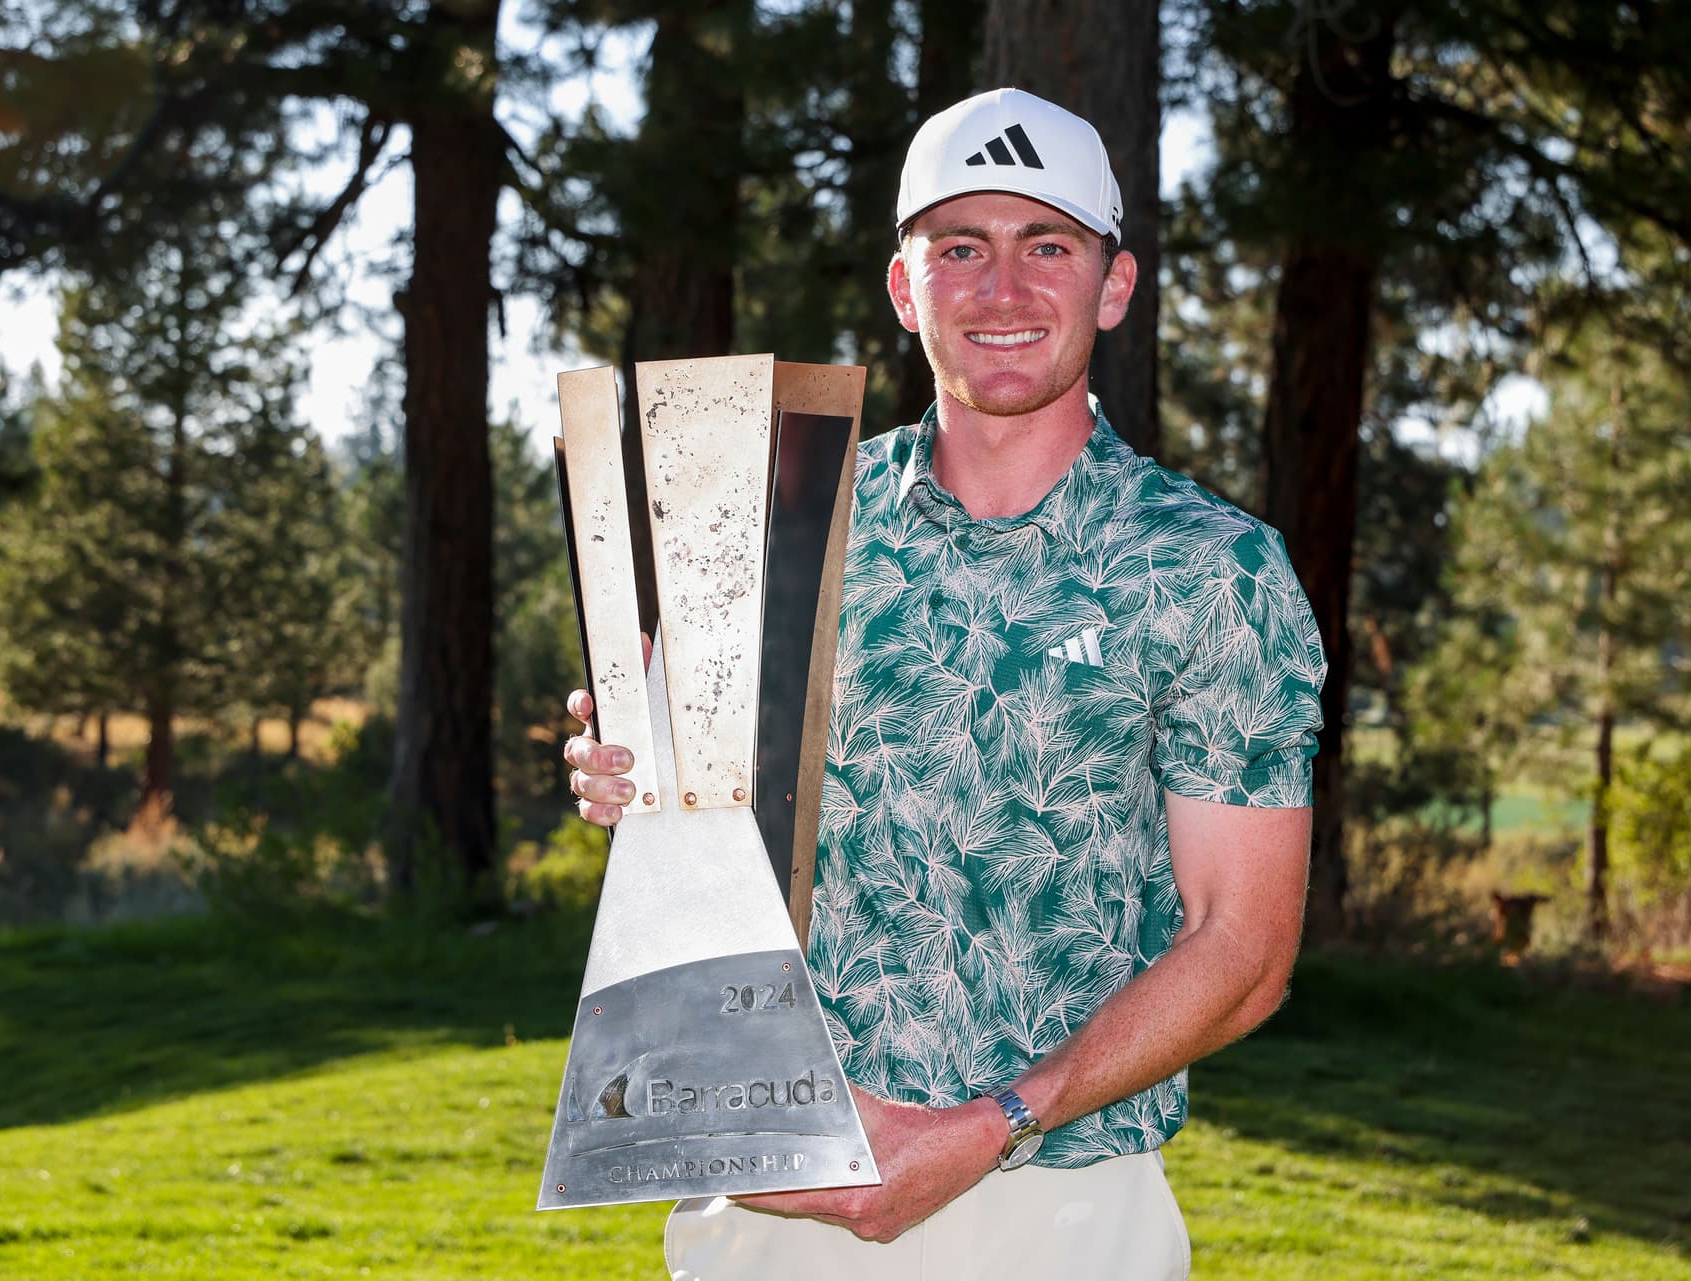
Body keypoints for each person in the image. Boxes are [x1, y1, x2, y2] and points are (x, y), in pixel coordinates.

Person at [565, 87, 1326, 1281]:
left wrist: (995, 1124)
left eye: (1048, 247)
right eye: (960, 248)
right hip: (774, 1203)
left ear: (1114, 286)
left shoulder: (1210, 570)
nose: (1002, 290)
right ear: (903, 288)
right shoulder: (774, 533)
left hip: (1063, 1213)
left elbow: (1244, 948)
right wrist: (636, 779)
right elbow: (707, 841)